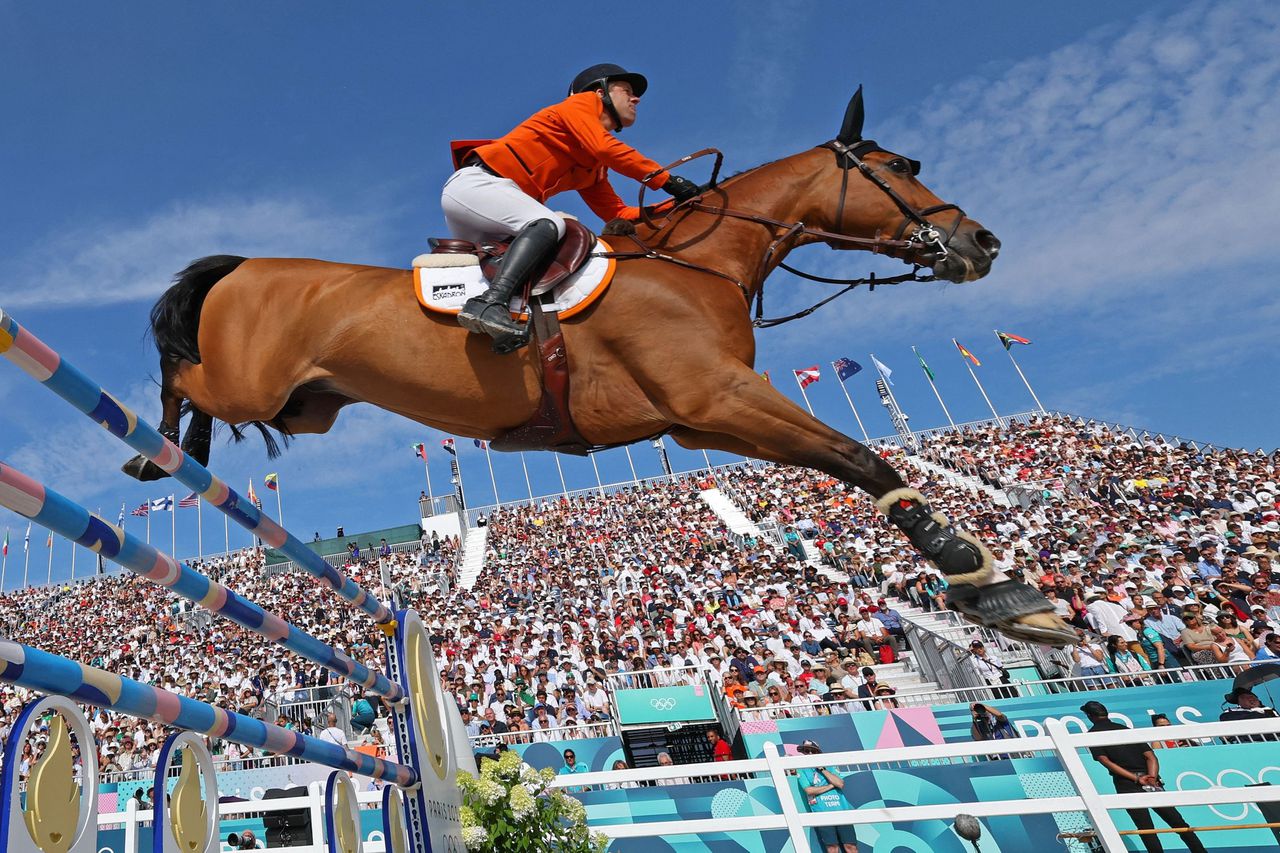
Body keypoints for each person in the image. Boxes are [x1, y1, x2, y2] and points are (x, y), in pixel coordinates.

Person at [443, 63, 700, 349]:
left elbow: (618, 213)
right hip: (478, 186)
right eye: (626, 90)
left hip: (492, 208)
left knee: (539, 254)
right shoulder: (579, 104)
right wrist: (667, 180)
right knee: (550, 224)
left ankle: (508, 321)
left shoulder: (594, 167)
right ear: (599, 92)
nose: (636, 98)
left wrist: (674, 204)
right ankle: (489, 304)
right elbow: (606, 147)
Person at [1081, 701, 1207, 853]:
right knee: (1178, 822)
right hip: (1151, 780)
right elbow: (1151, 757)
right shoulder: (1125, 729)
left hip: (1126, 784)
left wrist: (1135, 778)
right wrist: (1152, 778)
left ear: (1089, 716)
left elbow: (1105, 761)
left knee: (1145, 829)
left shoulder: (1092, 735)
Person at [796, 740, 856, 853]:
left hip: (841, 811)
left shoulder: (829, 766)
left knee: (850, 847)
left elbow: (840, 783)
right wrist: (830, 786)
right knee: (832, 848)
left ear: (818, 752)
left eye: (812, 751)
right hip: (822, 813)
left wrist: (822, 769)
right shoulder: (801, 769)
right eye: (806, 751)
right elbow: (809, 790)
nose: (809, 754)